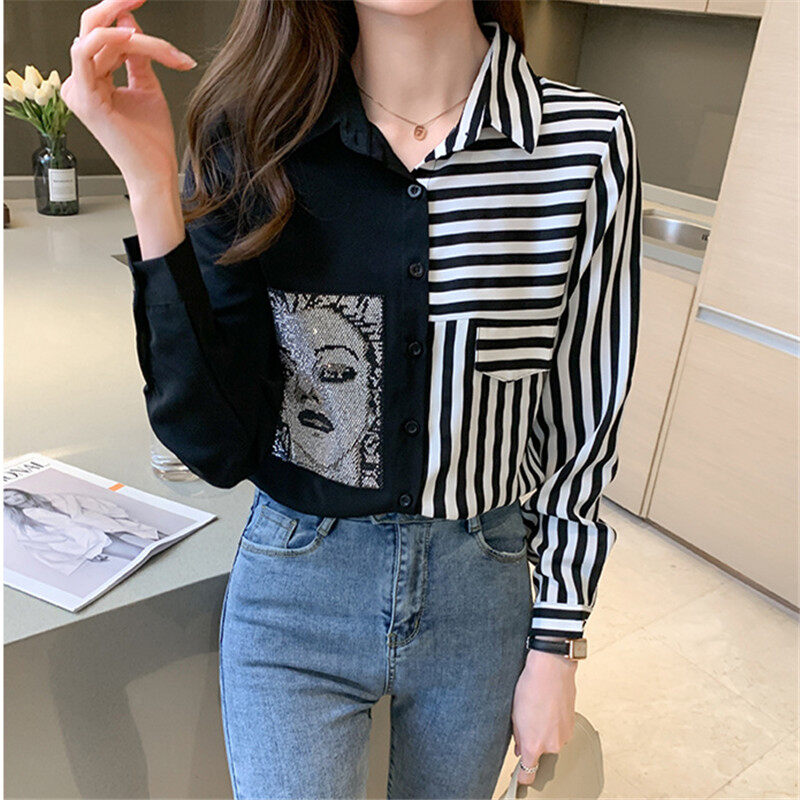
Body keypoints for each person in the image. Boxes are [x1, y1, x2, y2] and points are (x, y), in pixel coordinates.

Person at [62, 0, 641, 797]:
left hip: (482, 590)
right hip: (298, 584)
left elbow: (584, 415)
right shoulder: (255, 136)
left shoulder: (586, 144)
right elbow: (214, 443)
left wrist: (557, 647)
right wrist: (151, 184)